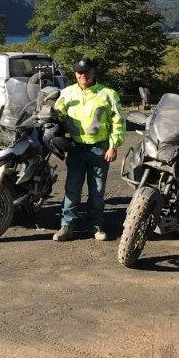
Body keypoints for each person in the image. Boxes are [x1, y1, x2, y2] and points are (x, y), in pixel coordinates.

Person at [52, 58, 125, 242]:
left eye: (86, 71)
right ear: (75, 73)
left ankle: (96, 225)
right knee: (72, 188)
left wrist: (113, 145)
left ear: (94, 72)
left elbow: (118, 121)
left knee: (97, 191)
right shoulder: (67, 93)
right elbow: (56, 116)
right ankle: (66, 226)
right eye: (79, 72)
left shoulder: (108, 94)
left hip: (100, 148)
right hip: (76, 147)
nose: (83, 75)